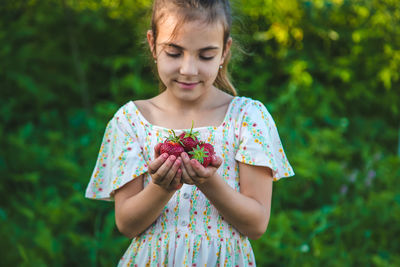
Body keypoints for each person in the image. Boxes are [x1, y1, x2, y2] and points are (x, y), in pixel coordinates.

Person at [85, 0, 295, 265]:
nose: (188, 69)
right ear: (153, 45)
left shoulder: (248, 118)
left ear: (224, 52)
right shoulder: (130, 121)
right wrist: (161, 187)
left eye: (205, 55)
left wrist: (209, 182)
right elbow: (127, 224)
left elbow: (256, 224)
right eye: (174, 53)